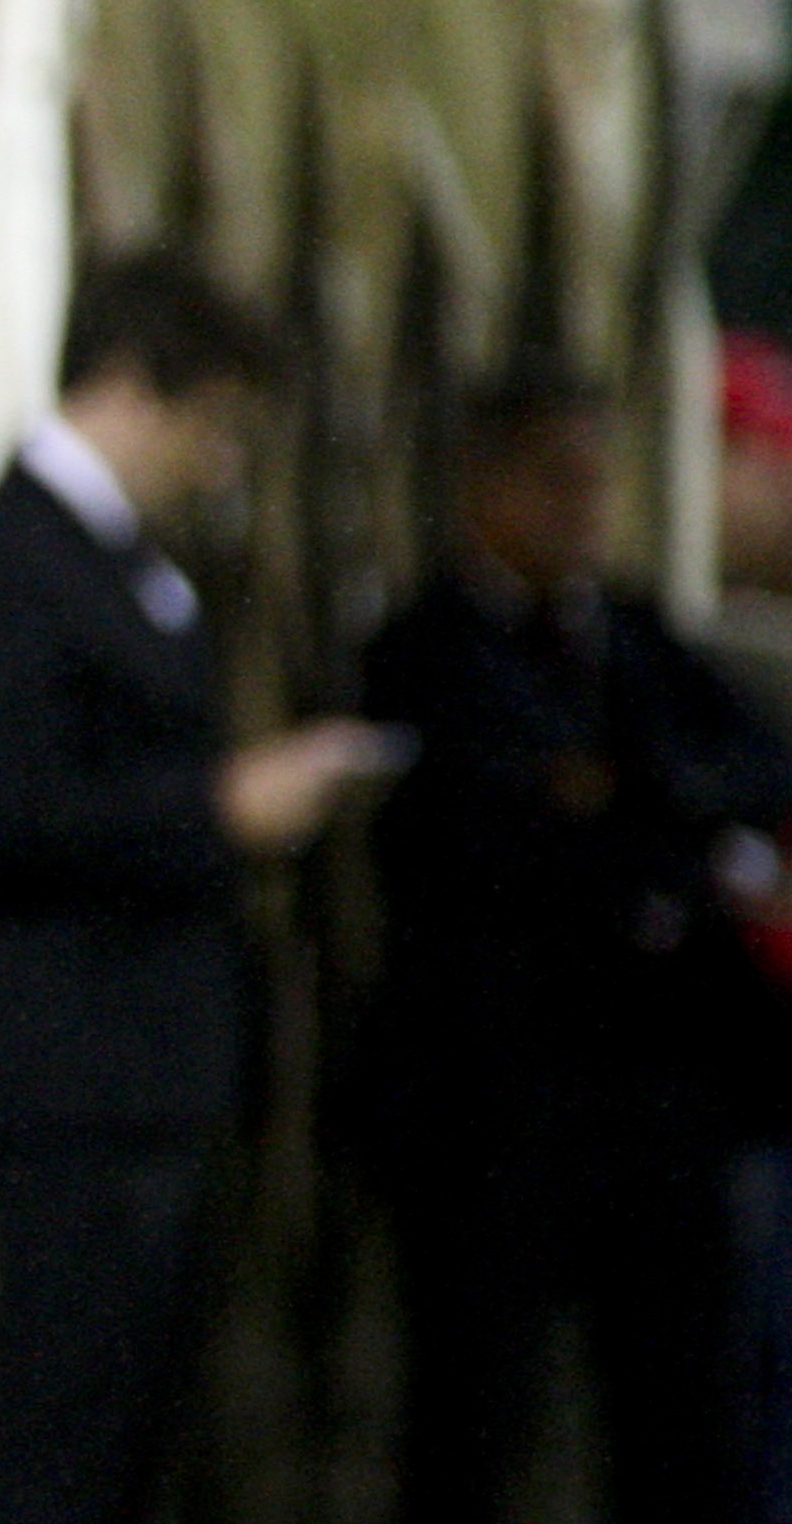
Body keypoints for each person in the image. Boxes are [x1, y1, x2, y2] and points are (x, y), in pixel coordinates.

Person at [0, 251, 392, 1524]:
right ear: (132, 387)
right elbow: (14, 821)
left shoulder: (123, 559)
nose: (225, 465)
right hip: (72, 1076)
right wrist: (223, 807)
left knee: (134, 1442)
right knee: (57, 1444)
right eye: (218, 428)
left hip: (153, 1072)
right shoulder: (7, 561)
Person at [359, 368, 792, 1524]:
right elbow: (506, 828)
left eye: (599, 486)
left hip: (658, 1103)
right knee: (474, 1414)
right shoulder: (426, 649)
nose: (584, 513)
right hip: (493, 1110)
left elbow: (747, 764)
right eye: (557, 483)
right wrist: (673, 838)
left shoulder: (637, 636)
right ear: (485, 489)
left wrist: (647, 808)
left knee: (679, 1414)